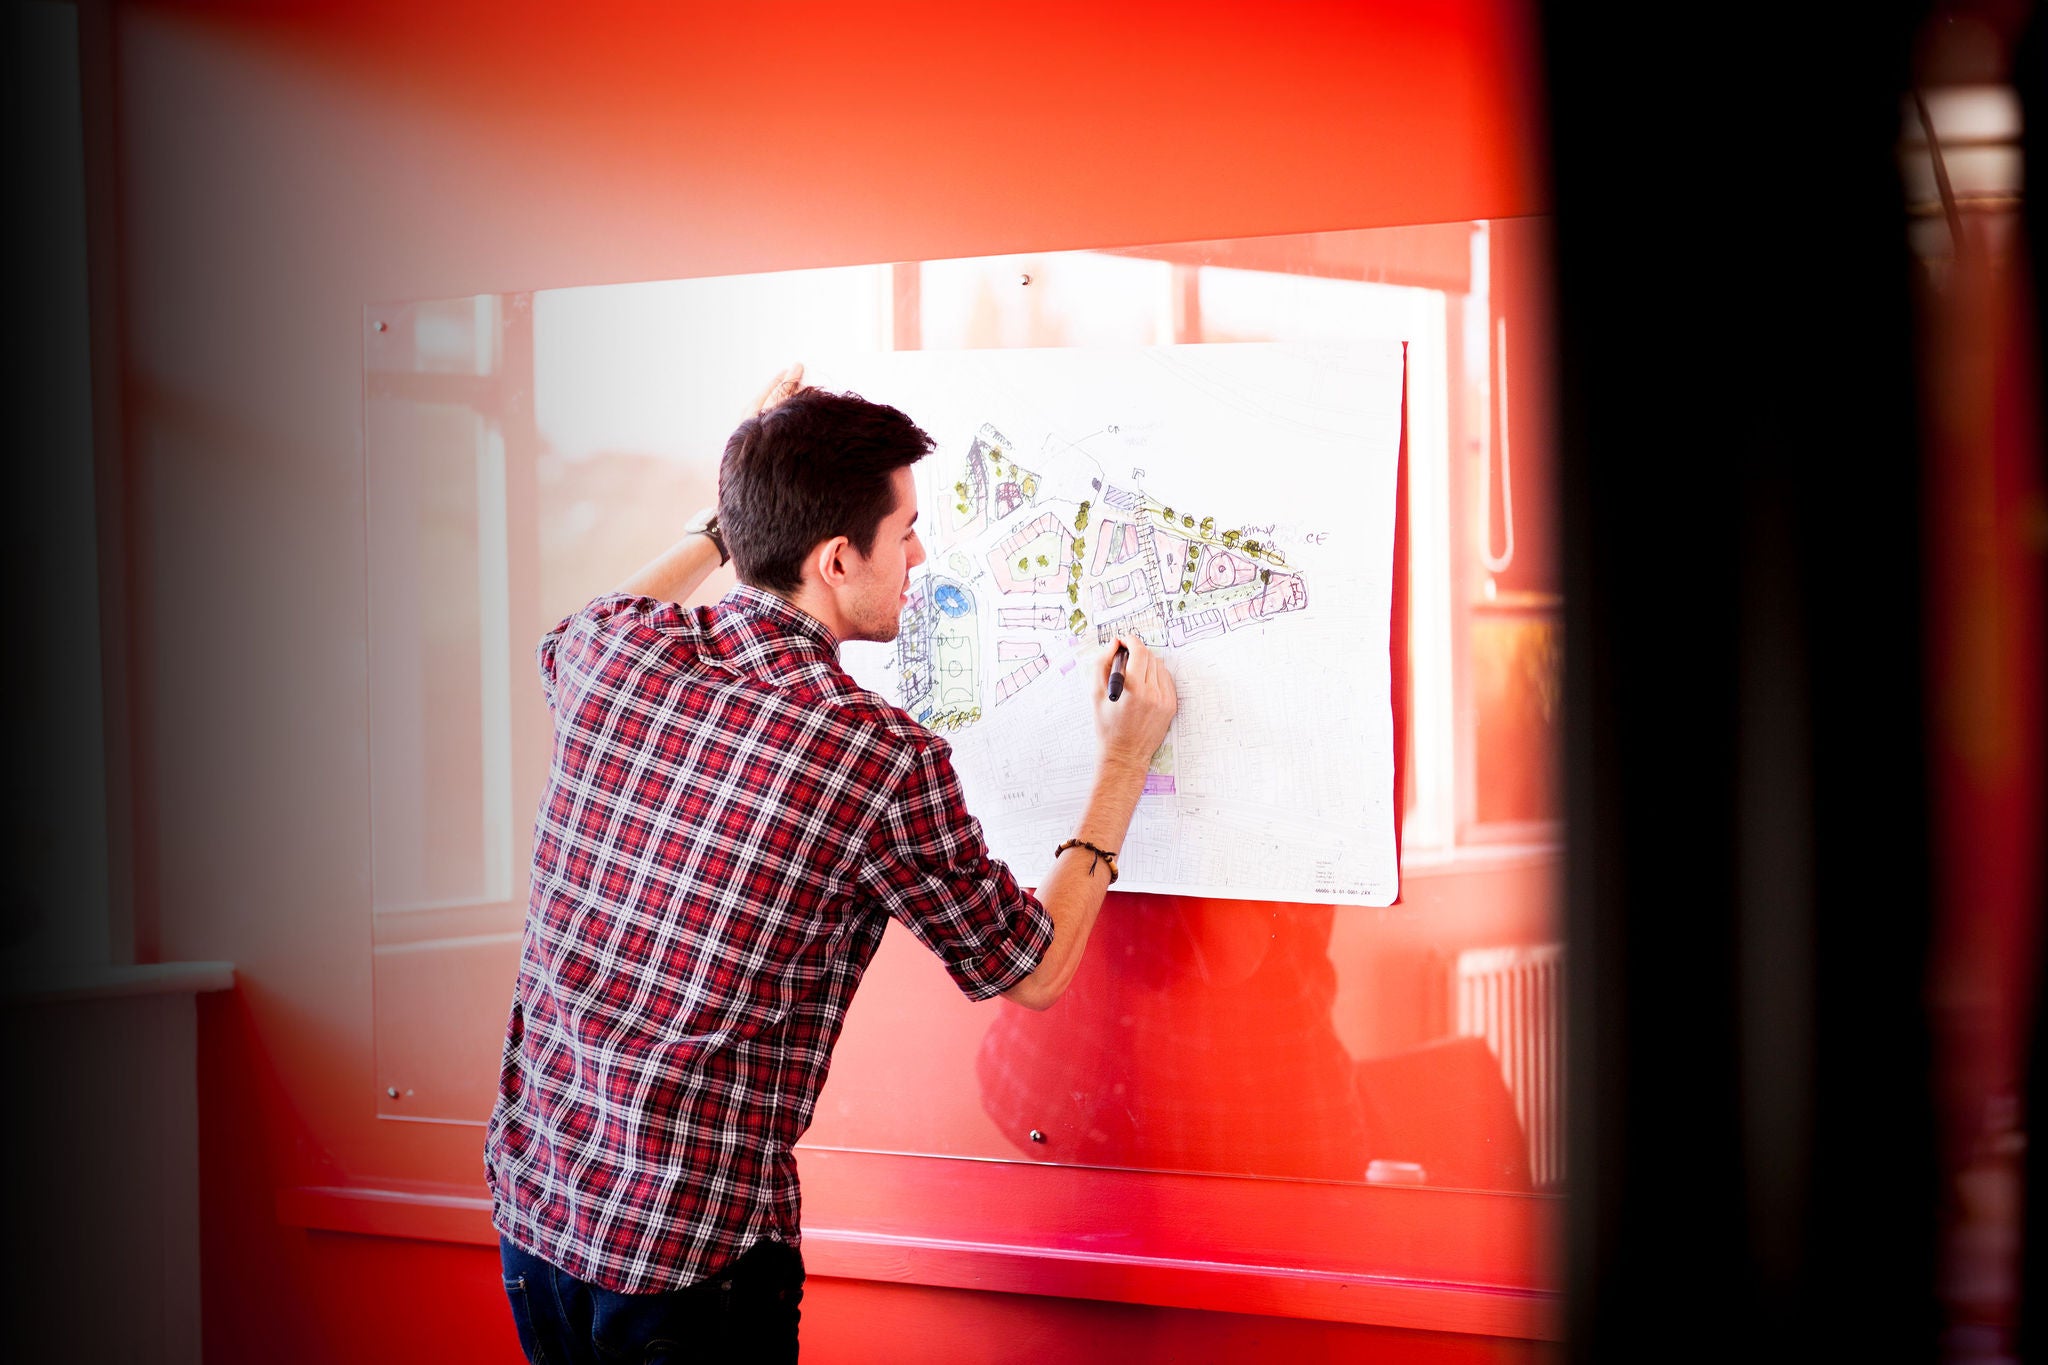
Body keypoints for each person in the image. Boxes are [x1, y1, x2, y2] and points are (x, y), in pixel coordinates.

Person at [485, 365, 1178, 1363]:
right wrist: (1121, 759)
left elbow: (577, 630)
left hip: (535, 1216)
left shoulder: (612, 653)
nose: (919, 552)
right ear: (836, 561)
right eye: (902, 532)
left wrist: (731, 518)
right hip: (692, 1269)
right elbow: (1029, 968)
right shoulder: (871, 754)